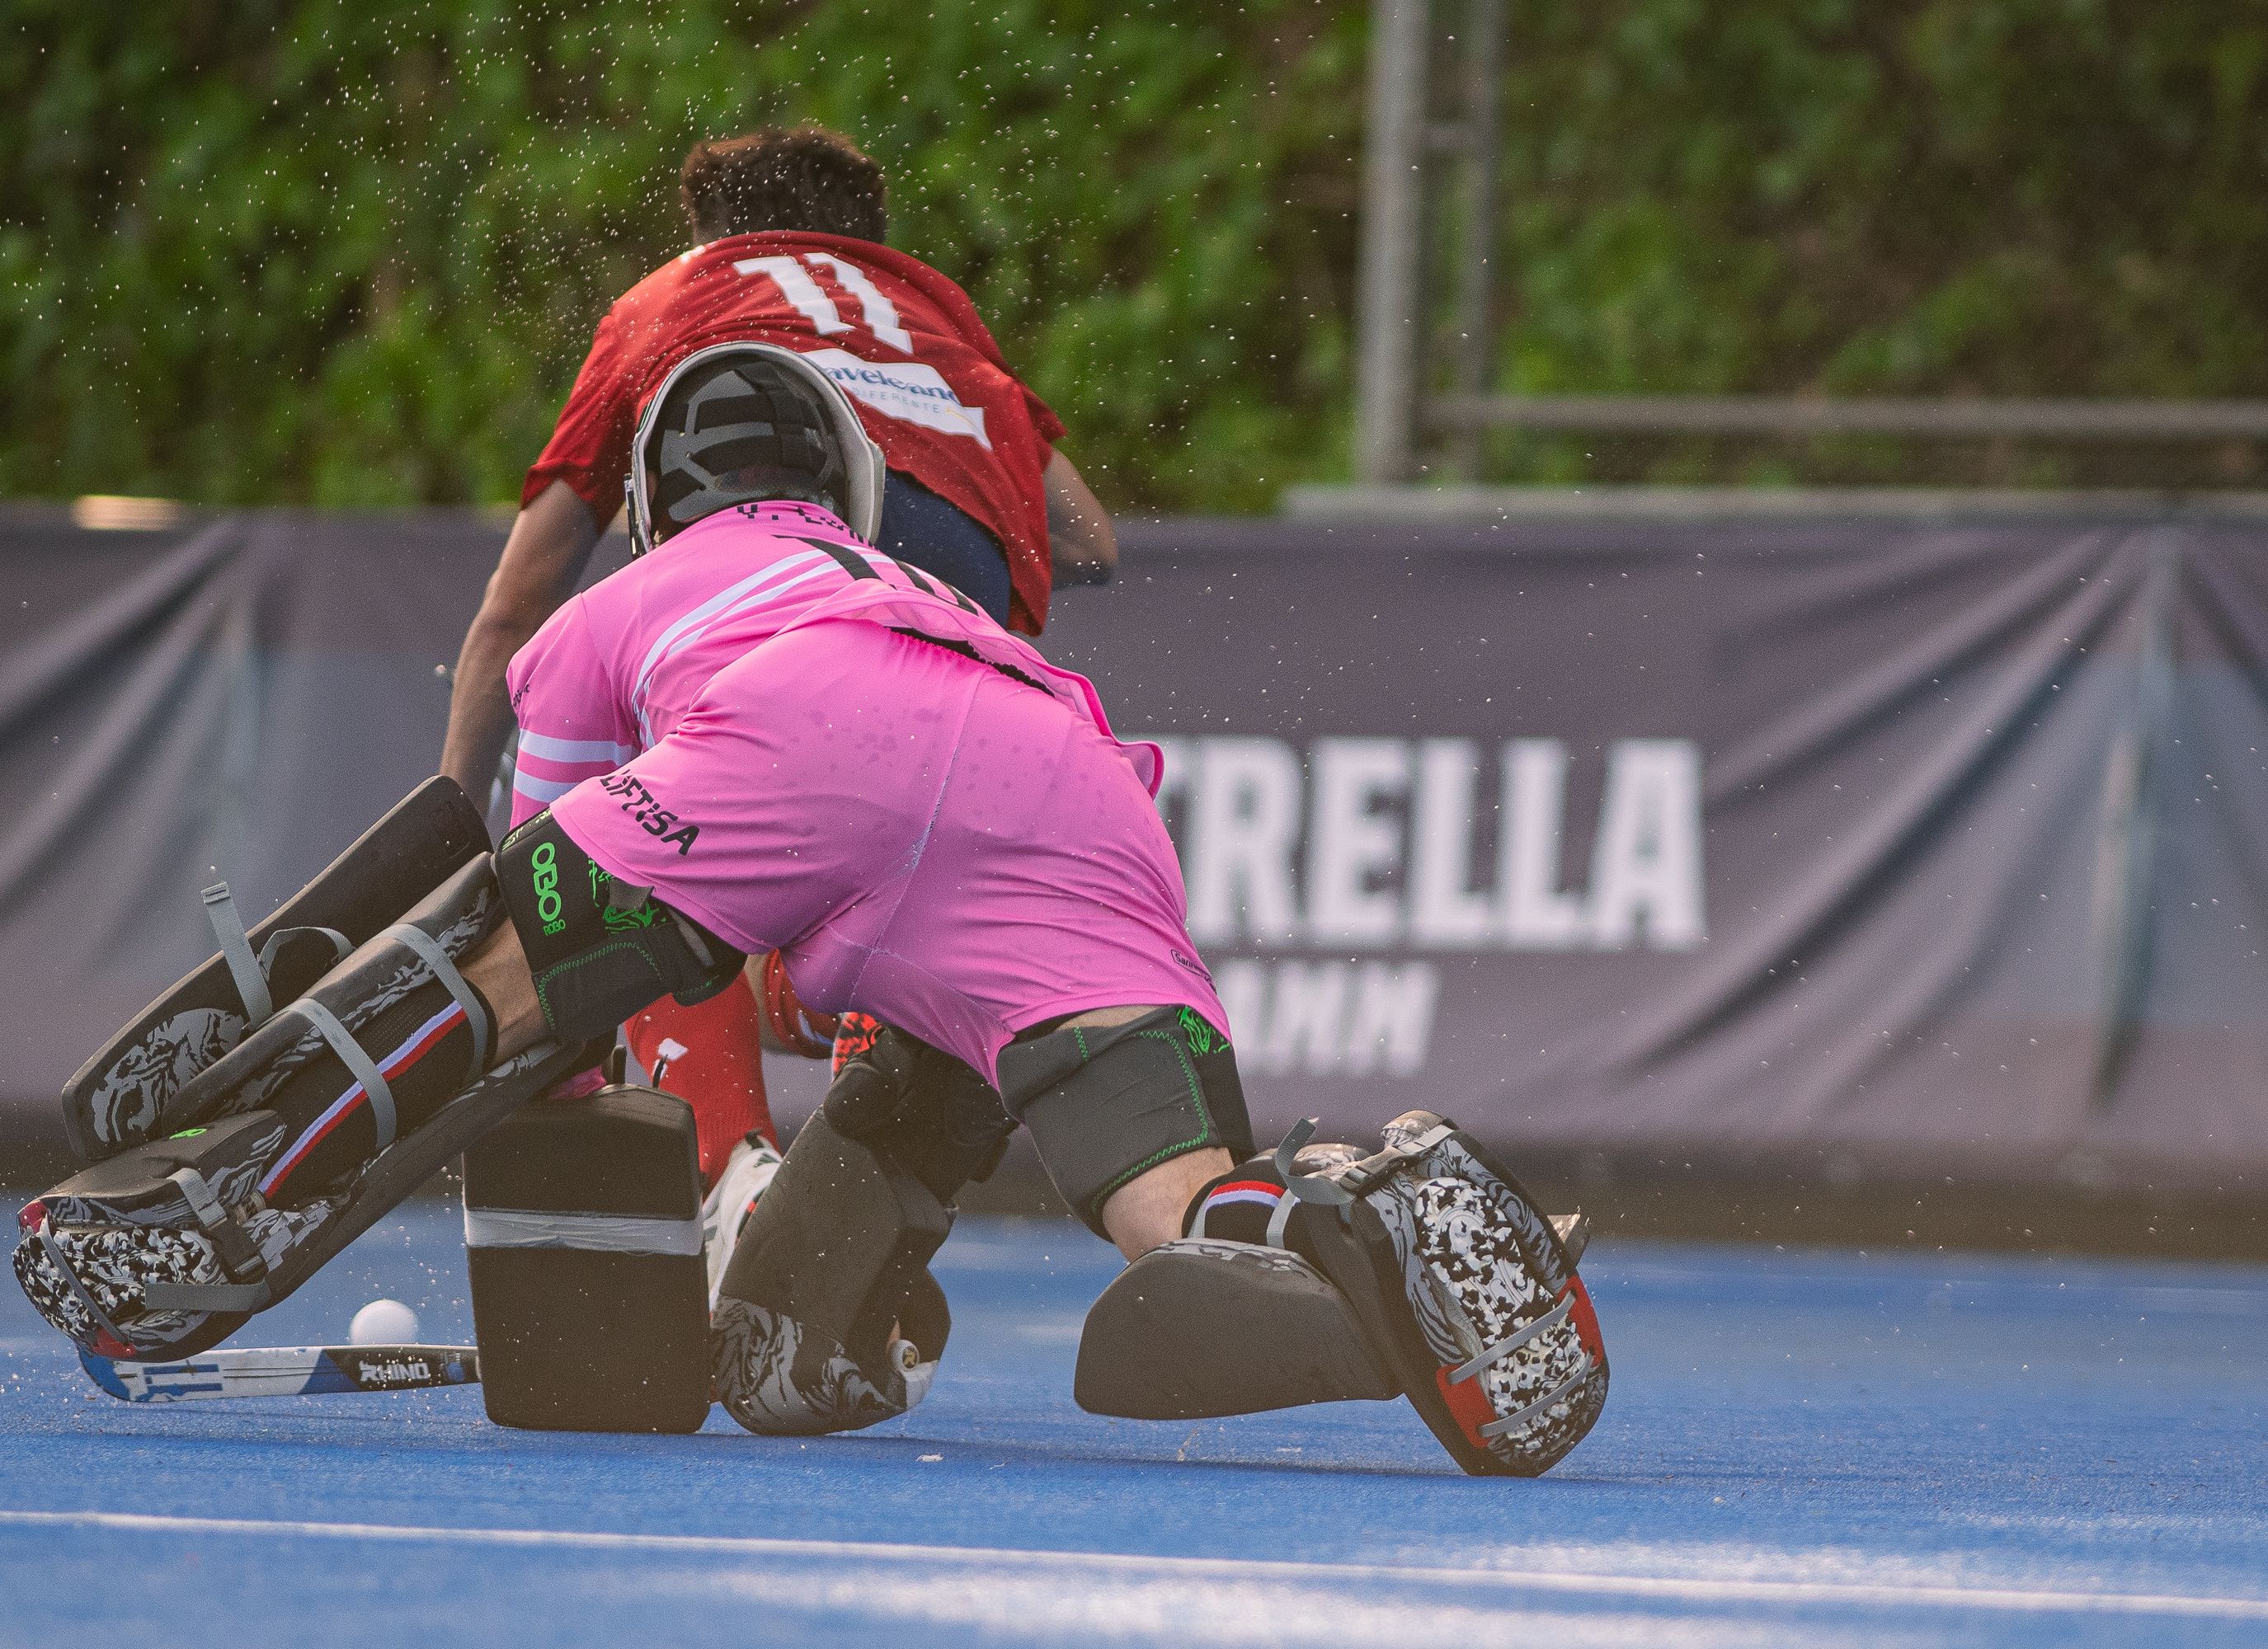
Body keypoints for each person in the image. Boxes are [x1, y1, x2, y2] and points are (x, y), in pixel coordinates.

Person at [16, 345, 1607, 1477]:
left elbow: (549, 946)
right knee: (1151, 1221)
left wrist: (594, 1141)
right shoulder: (908, 585)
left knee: (492, 975)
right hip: (1078, 786)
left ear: (654, 500)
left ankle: (195, 1230)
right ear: (846, 486)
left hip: (800, 738)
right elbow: (846, 862)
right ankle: (1365, 1215)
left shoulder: (619, 605)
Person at [437, 125, 1120, 1262]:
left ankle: (730, 1173)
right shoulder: (939, 316)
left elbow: (518, 607)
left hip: (783, 563)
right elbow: (1091, 543)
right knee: (895, 874)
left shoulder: (680, 293)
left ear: (716, 234)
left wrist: (453, 841)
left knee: (655, 833)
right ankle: (856, 1108)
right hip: (959, 646)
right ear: (870, 242)